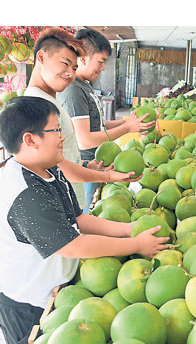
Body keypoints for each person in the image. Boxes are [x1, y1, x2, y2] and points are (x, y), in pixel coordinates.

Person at [0, 96, 169, 344]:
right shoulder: (26, 194)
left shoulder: (47, 169)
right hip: (27, 303)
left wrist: (128, 230)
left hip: (53, 291)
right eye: (55, 131)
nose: (63, 137)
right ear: (30, 140)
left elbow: (77, 218)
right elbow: (73, 246)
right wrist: (135, 245)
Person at [25, 27, 144, 212]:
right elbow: (60, 165)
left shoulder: (51, 100)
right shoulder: (37, 106)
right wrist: (108, 176)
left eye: (73, 67)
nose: (70, 74)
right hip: (57, 206)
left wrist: (85, 164)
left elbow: (58, 157)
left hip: (70, 196)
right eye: (64, 63)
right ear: (41, 58)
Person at [58, 28, 153, 212]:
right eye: (101, 62)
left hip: (96, 165)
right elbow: (84, 140)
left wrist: (127, 123)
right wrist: (126, 129)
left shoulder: (84, 86)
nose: (103, 68)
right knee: (86, 212)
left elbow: (99, 125)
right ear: (83, 58)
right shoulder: (73, 91)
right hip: (85, 168)